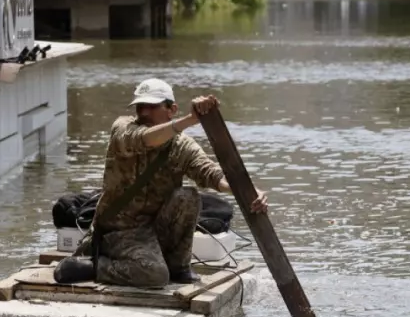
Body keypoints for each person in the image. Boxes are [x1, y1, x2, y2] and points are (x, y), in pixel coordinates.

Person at [70, 78, 268, 288]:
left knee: (188, 197)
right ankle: (94, 266)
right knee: (155, 276)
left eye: (152, 106)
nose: (144, 112)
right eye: (140, 106)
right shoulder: (123, 128)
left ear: (171, 109)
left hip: (154, 229)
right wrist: (191, 119)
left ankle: (178, 266)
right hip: (119, 230)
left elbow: (211, 174)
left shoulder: (182, 145)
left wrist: (250, 192)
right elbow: (145, 139)